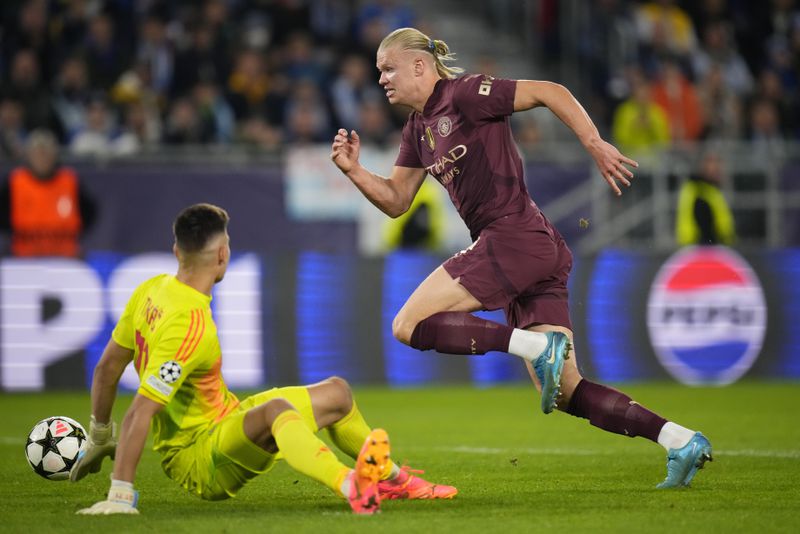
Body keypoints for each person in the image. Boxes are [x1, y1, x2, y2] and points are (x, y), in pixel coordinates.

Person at [330, 27, 712, 489]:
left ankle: (533, 346)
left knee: (406, 325)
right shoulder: (417, 130)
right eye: (378, 72)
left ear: (418, 65)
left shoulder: (466, 94)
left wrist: (593, 142)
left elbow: (550, 91)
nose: (382, 79)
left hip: (512, 234)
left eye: (388, 68)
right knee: (569, 392)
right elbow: (395, 200)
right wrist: (353, 170)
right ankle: (679, 440)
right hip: (532, 245)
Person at [70, 203, 456, 515]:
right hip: (200, 457)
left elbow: (107, 367)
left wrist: (100, 435)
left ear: (176, 251)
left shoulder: (150, 290)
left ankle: (393, 480)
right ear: (223, 255)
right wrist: (120, 493)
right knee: (275, 412)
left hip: (225, 418)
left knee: (338, 394)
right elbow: (141, 411)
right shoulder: (189, 326)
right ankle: (351, 484)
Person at [0, 129, 96, 257]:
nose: (42, 159)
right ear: (29, 156)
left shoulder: (69, 181)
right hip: (24, 257)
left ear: (55, 156)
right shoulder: (15, 182)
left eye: (46, 154)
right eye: (38, 154)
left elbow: (89, 211)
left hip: (65, 256)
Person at [676, 151, 736, 246]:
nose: (716, 167)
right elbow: (689, 217)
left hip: (714, 243)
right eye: (711, 163)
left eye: (718, 163)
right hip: (699, 245)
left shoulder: (712, 189)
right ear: (702, 166)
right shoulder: (696, 189)